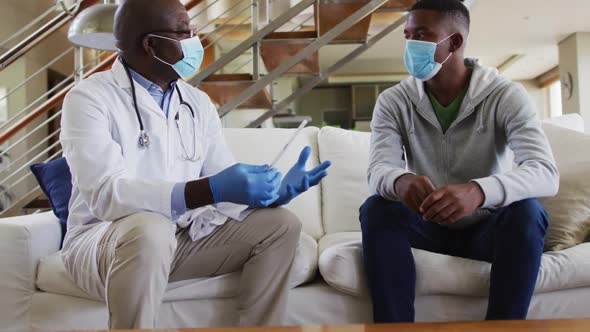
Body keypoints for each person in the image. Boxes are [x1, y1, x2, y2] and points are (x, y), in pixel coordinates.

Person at [59, 0, 331, 329]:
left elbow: (223, 181)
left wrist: (271, 193)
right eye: (184, 31)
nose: (194, 40)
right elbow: (106, 195)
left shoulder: (197, 102)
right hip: (102, 242)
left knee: (281, 225)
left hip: (178, 238)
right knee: (151, 229)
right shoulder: (89, 98)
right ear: (151, 44)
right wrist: (208, 189)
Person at [360, 0, 559, 323]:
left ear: (454, 42)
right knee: (376, 209)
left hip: (487, 229)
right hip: (427, 226)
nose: (411, 44)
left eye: (422, 35)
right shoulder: (393, 101)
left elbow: (545, 172)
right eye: (408, 35)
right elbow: (378, 170)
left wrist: (479, 192)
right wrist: (400, 181)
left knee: (529, 211)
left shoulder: (506, 95)